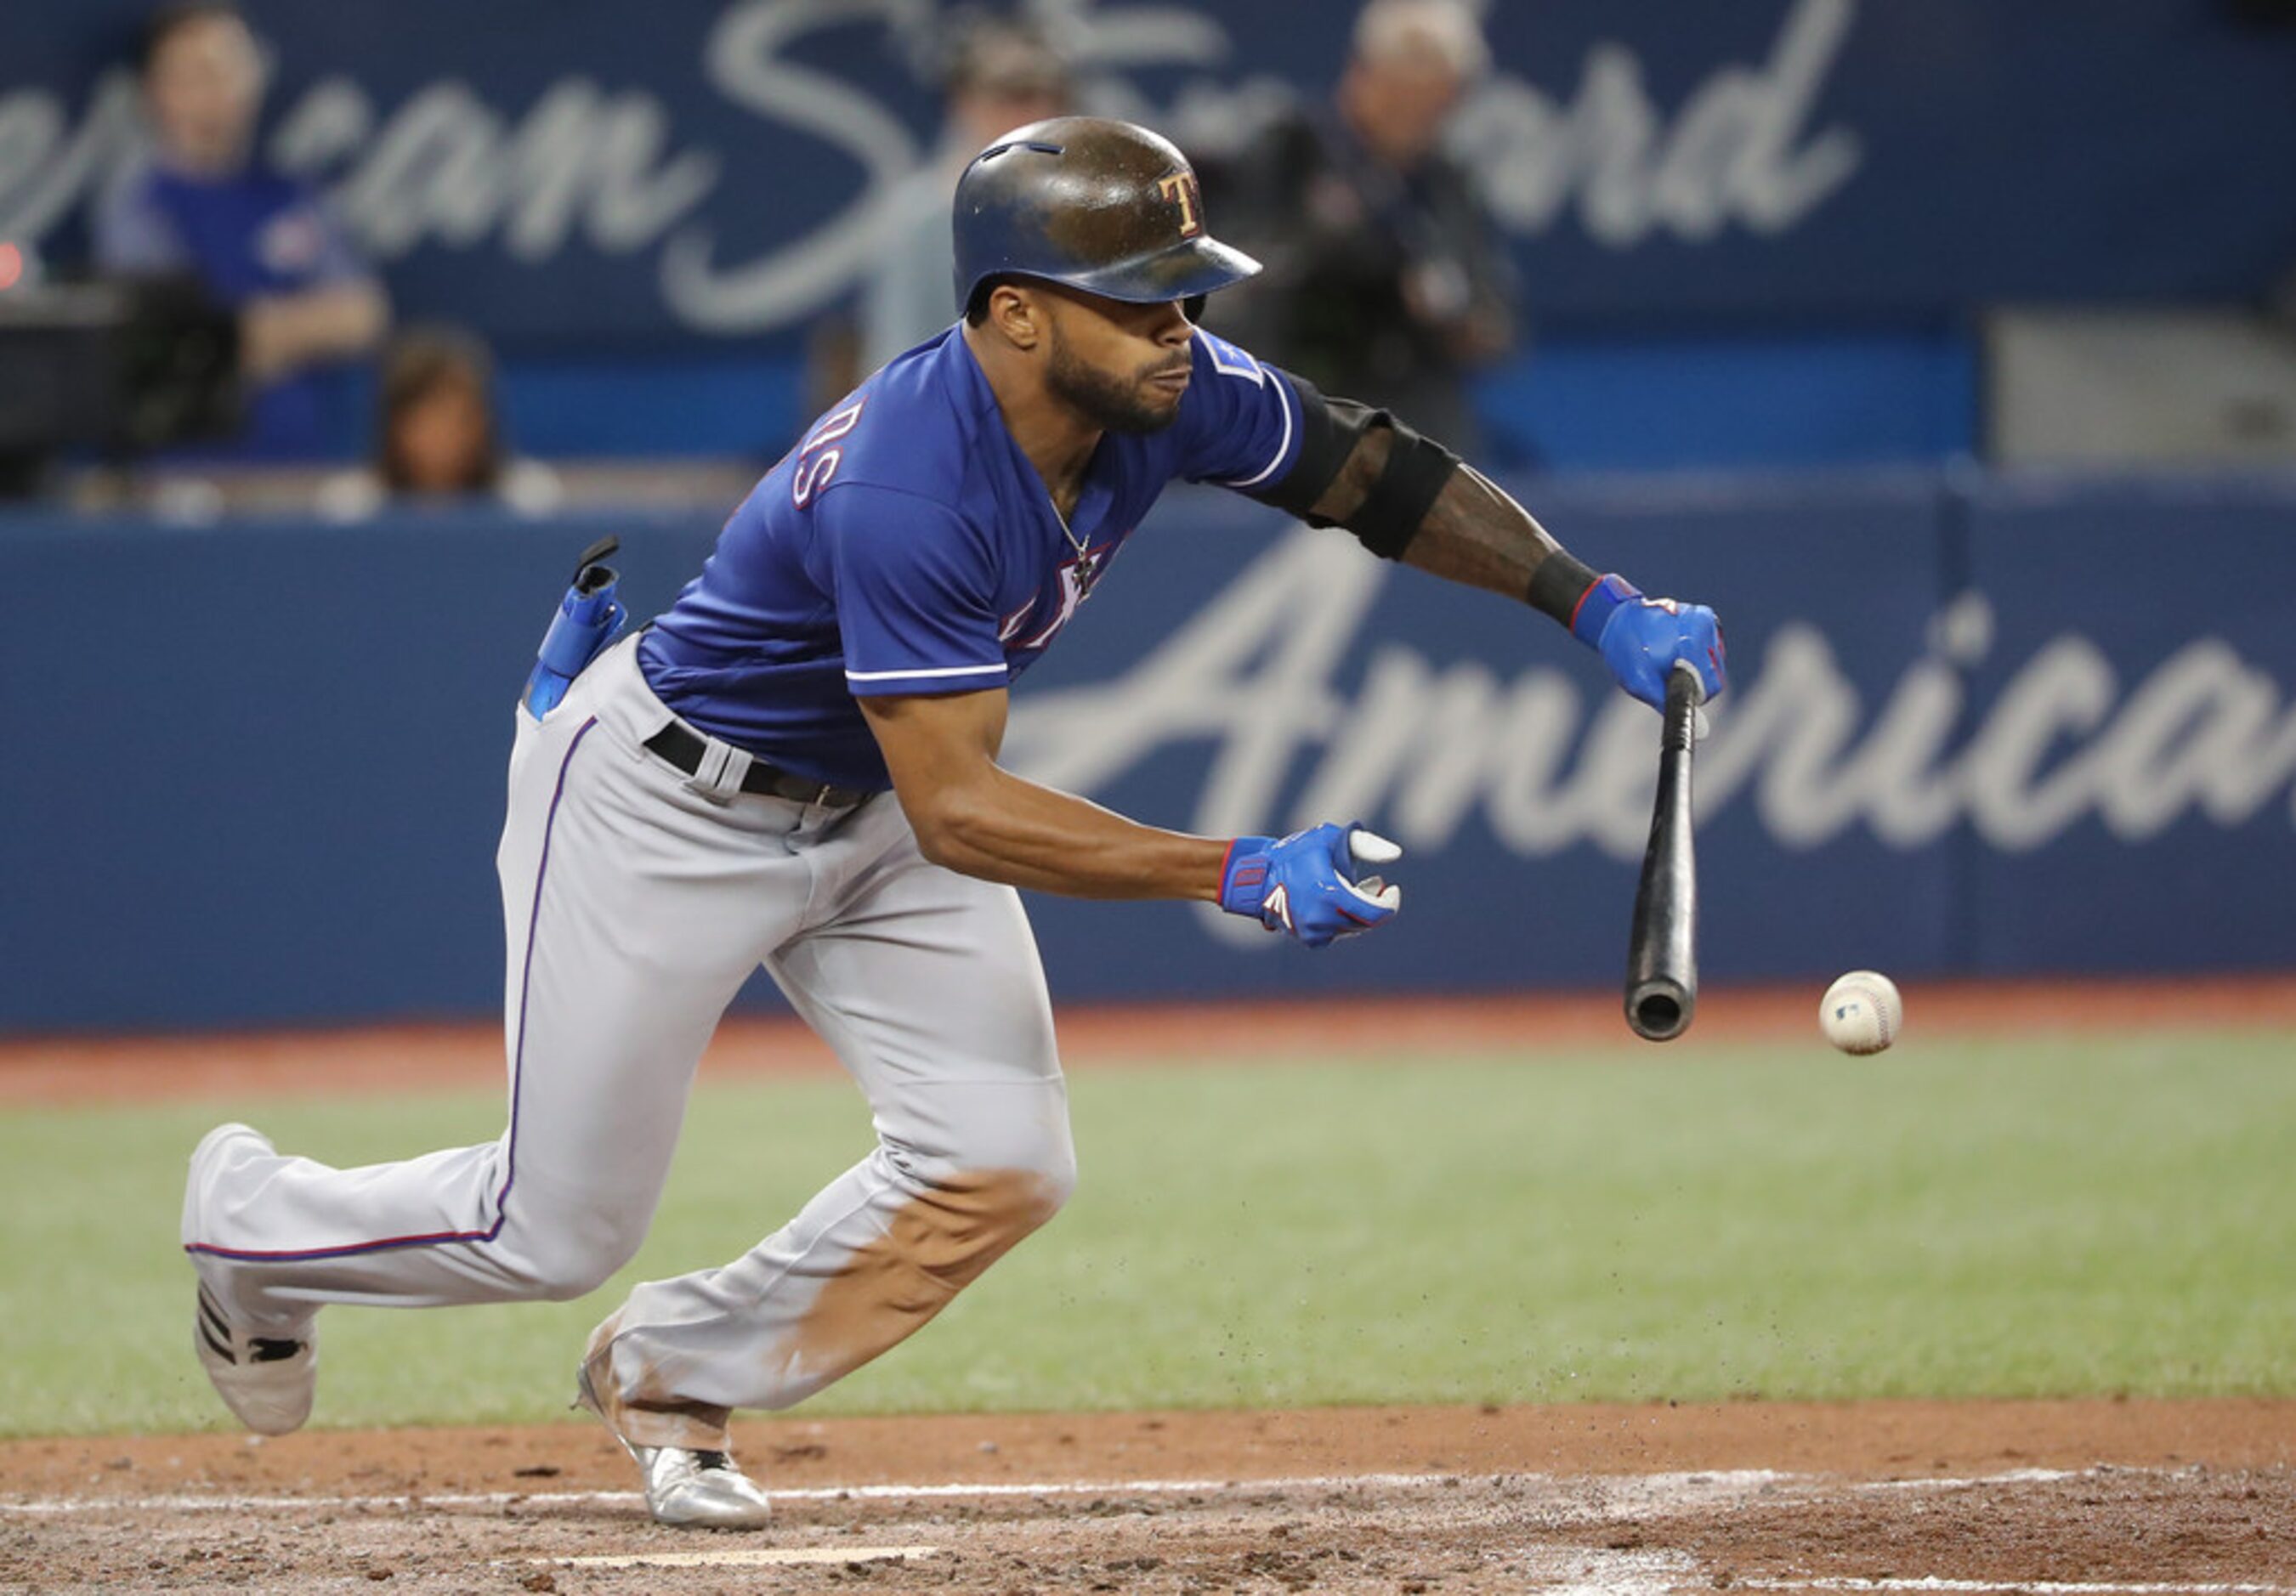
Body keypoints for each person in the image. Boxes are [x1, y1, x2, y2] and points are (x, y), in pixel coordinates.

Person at [179, 118, 1724, 1531]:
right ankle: (250, 1223)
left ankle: (669, 1371)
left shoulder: (1164, 391)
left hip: (870, 803)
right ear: (1014, 312)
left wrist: (1591, 603)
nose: (1178, 328)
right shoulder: (917, 477)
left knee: (1000, 1157)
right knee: (553, 1222)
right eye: (1138, 296)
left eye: (1185, 291)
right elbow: (967, 806)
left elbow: (1371, 472)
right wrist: (1235, 869)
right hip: (671, 803)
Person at [1195, 0, 1515, 456]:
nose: (1419, 116)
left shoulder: (1445, 183)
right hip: (1299, 419)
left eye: (1436, 101)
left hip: (1417, 434)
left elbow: (1494, 322)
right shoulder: (1292, 152)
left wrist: (1452, 315)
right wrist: (1327, 237)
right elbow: (1236, 285)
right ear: (1363, 75)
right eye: (1404, 94)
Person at [94, 2, 388, 458]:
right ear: (154, 92)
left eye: (227, 70)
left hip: (302, 471)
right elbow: (170, 340)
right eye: (193, 75)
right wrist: (291, 327)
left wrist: (238, 336)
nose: (214, 93)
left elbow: (362, 315)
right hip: (182, 475)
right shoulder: (140, 206)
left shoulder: (290, 194)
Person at [810, 14, 1074, 406]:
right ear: (964, 102)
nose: (1031, 113)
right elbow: (900, 376)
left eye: (1045, 94)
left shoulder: (1084, 211)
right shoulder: (922, 220)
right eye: (1012, 95)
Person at [315, 326, 562, 519]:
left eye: (458, 418)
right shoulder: (351, 508)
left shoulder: (528, 502)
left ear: (483, 423)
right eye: (425, 420)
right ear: (394, 426)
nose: (443, 435)